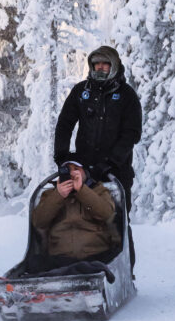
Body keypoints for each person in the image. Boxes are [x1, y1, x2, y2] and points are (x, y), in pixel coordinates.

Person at [54, 45, 142, 269]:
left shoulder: (127, 95)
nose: (100, 68)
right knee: (80, 217)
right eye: (96, 64)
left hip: (116, 171)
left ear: (113, 66)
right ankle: (83, 266)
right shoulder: (81, 92)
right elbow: (65, 123)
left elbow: (132, 133)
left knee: (117, 219)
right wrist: (63, 157)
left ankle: (124, 272)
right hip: (83, 170)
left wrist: (111, 162)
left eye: (105, 64)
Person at [28, 161, 119, 275]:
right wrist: (58, 195)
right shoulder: (50, 194)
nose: (72, 173)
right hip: (60, 258)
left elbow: (106, 213)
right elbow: (39, 221)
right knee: (34, 263)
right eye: (67, 169)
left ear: (85, 172)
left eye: (76, 168)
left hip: (95, 256)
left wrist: (82, 190)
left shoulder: (99, 191)